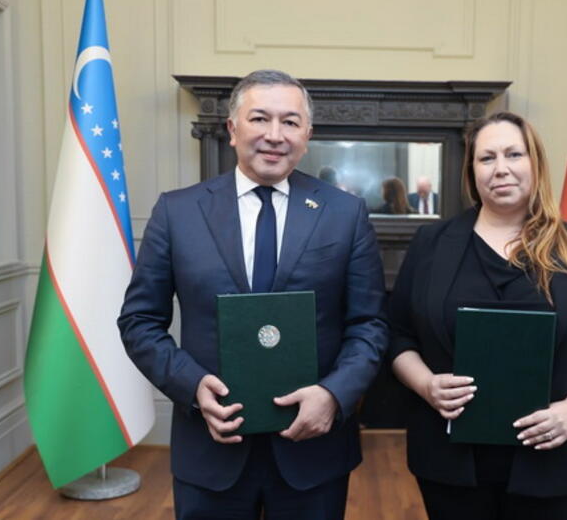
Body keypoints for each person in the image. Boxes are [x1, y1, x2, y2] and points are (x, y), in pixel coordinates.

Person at [118, 69, 389, 520]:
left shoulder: (345, 213)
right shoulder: (177, 212)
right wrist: (191, 386)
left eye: (290, 122)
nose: (274, 135)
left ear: (307, 135)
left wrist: (333, 395)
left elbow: (370, 324)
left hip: (314, 453)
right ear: (232, 128)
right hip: (210, 448)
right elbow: (139, 321)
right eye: (260, 118)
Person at [388, 111, 567, 519]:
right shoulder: (431, 243)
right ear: (472, 172)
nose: (500, 168)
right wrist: (427, 384)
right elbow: (398, 335)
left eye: (513, 154)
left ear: (535, 163)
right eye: (487, 158)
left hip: (553, 459)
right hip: (450, 461)